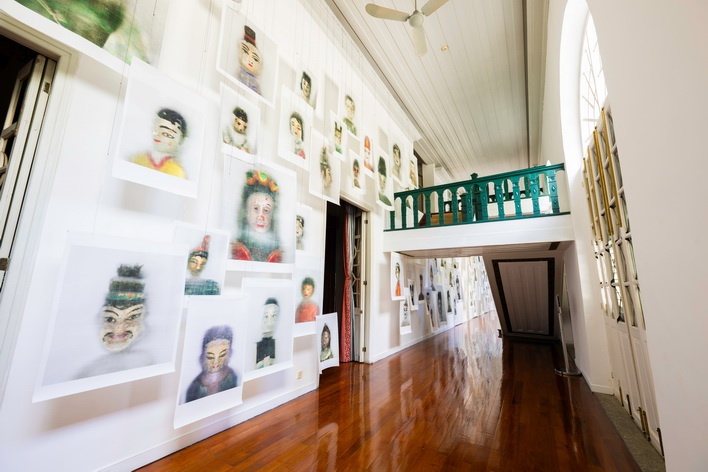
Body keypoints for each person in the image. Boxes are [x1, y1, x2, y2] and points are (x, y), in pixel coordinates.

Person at [77, 264, 152, 378]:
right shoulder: (89, 372)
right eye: (110, 319)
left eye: (132, 317)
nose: (118, 328)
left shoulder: (145, 363)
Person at [231, 170, 282, 262]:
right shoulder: (238, 247)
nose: (260, 217)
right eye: (255, 208)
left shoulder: (276, 251)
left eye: (266, 210)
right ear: (246, 211)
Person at [185, 326, 238, 403]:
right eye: (210, 357)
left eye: (222, 355)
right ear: (203, 356)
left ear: (230, 353)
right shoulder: (195, 387)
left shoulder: (232, 377)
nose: (216, 361)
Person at [132, 108, 188, 178]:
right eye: (156, 130)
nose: (158, 135)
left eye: (166, 134)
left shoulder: (176, 170)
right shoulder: (139, 158)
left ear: (179, 141)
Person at [238, 25, 262, 94]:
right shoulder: (240, 73)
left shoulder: (255, 82)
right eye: (246, 53)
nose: (250, 61)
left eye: (255, 58)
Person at [256, 298, 279, 368]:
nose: (269, 323)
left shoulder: (278, 344)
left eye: (273, 316)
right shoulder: (258, 346)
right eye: (266, 317)